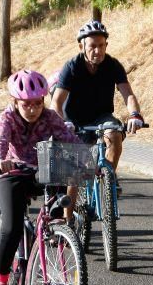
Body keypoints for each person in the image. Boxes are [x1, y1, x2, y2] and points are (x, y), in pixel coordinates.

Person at [0, 70, 80, 285]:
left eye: (38, 103)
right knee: (12, 226)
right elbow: (1, 142)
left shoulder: (49, 117)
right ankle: (0, 282)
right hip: (13, 171)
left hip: (41, 170)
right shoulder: (7, 118)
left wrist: (90, 160)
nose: (33, 109)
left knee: (61, 175)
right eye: (26, 105)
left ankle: (55, 227)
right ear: (15, 102)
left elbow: (68, 138)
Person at [51, 20, 145, 189]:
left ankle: (108, 180)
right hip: (74, 122)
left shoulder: (113, 65)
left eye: (101, 45)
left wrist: (134, 114)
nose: (98, 51)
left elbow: (128, 94)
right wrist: (62, 124)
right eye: (92, 46)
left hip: (102, 118)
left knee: (115, 134)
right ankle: (69, 214)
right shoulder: (71, 67)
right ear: (81, 47)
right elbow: (56, 102)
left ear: (106, 45)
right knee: (73, 177)